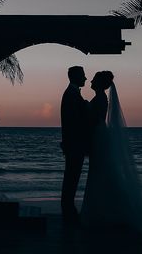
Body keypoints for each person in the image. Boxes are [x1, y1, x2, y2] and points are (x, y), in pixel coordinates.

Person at [80, 70, 142, 238]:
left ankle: (104, 212)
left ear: (98, 83)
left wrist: (85, 108)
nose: (90, 80)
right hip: (99, 135)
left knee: (100, 173)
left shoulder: (100, 98)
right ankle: (105, 210)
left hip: (98, 135)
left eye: (94, 79)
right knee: (101, 173)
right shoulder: (101, 98)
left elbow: (94, 119)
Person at [59, 65, 90, 224]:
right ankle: (68, 212)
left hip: (74, 144)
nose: (85, 78)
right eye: (83, 75)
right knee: (71, 178)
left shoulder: (72, 93)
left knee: (72, 178)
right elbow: (73, 122)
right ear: (75, 76)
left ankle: (68, 210)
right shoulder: (71, 94)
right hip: (74, 145)